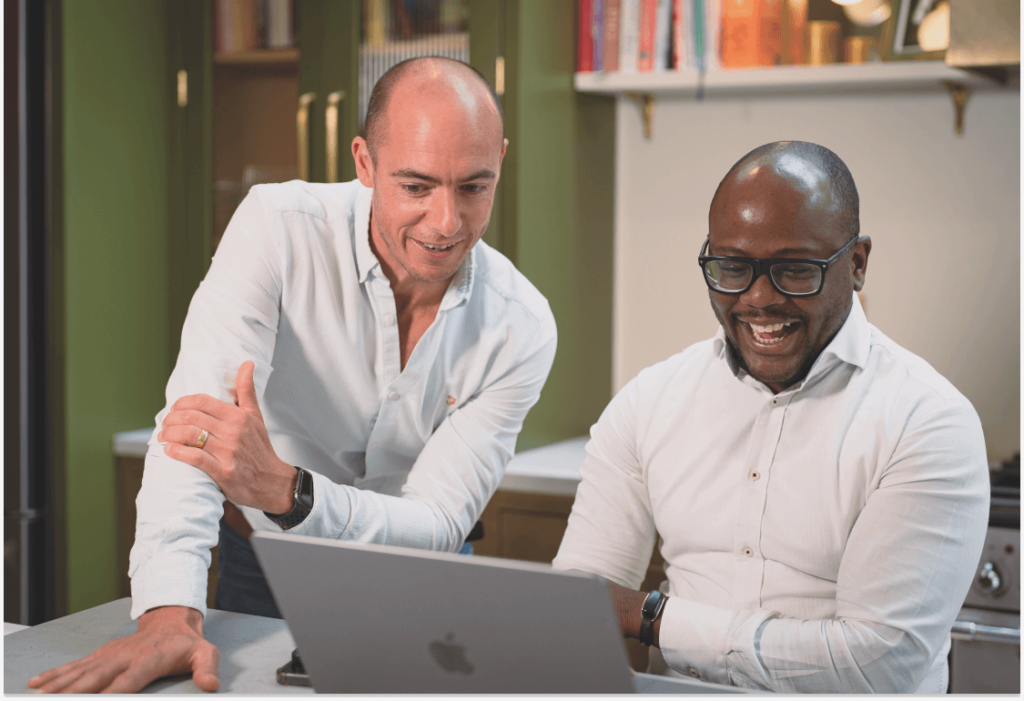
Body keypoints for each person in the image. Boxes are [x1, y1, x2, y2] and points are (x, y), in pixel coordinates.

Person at [29, 57, 556, 694]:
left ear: (500, 159)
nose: (446, 223)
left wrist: (290, 492)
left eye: (474, 187)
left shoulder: (520, 325)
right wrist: (169, 616)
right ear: (364, 162)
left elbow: (438, 524)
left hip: (421, 577)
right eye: (416, 187)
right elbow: (194, 431)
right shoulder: (278, 230)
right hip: (268, 562)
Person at [552, 141, 989, 693]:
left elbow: (876, 667)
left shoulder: (927, 422)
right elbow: (576, 605)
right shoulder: (649, 401)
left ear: (856, 264)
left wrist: (653, 617)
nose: (758, 299)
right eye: (732, 267)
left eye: (795, 270)